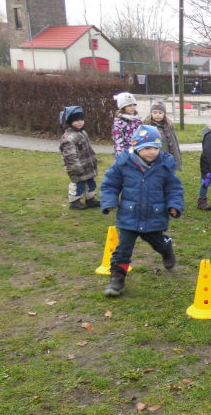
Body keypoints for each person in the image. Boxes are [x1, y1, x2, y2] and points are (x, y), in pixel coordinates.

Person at [100, 125, 184, 296]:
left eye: (155, 147)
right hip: (129, 216)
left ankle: (166, 248)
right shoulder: (123, 164)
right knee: (123, 249)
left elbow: (174, 188)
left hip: (154, 215)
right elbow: (110, 183)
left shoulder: (164, 166)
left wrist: (174, 205)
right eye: (147, 148)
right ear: (137, 148)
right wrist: (109, 202)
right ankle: (117, 278)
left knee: (157, 242)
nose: (152, 152)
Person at [58, 105, 100, 210]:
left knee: (90, 182)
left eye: (81, 119)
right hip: (77, 167)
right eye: (76, 120)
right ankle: (74, 201)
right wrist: (76, 168)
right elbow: (70, 156)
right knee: (77, 184)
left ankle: (90, 199)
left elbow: (88, 148)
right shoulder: (68, 138)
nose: (80, 122)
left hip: (87, 164)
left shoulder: (83, 133)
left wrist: (93, 160)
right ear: (69, 121)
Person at [143, 101, 182, 170]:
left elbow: (174, 144)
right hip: (152, 157)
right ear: (151, 114)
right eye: (155, 113)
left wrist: (177, 162)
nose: (157, 115)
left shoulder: (168, 126)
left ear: (164, 114)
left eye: (160, 113)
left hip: (165, 156)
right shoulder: (147, 126)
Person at [111, 92, 142, 157]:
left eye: (134, 105)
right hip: (126, 155)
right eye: (129, 105)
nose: (133, 107)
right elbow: (118, 142)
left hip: (140, 152)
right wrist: (123, 157)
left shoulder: (137, 120)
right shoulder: (119, 123)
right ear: (123, 107)